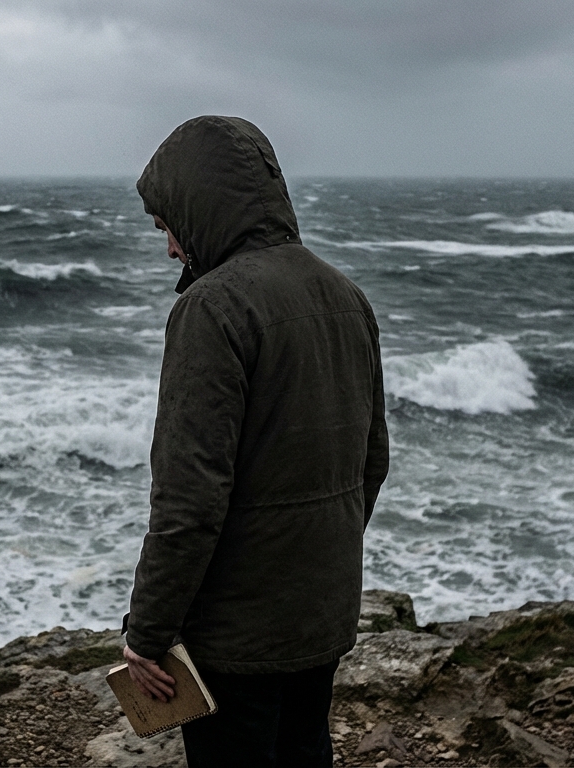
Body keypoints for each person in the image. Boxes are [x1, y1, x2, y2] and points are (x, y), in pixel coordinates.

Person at [121, 115, 389, 767]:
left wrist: (148, 634)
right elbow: (372, 464)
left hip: (236, 636)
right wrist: (317, 566)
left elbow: (190, 501)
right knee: (304, 751)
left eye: (167, 228)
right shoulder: (344, 295)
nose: (169, 250)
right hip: (322, 613)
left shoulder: (213, 308)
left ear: (199, 209)